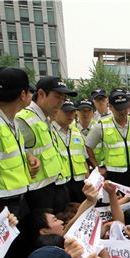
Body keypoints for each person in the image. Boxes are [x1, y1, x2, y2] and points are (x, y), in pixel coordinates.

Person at [16, 76, 77, 212]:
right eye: (57, 97)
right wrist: (27, 157)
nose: (61, 103)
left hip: (53, 186)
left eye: (63, 99)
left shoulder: (45, 118)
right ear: (42, 94)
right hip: (37, 194)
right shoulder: (24, 120)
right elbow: (13, 151)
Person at [0, 67, 37, 218]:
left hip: (18, 198)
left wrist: (28, 157)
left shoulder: (9, 120)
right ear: (23, 94)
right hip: (1, 206)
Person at [86, 89, 130, 187]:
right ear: (110, 107)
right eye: (118, 109)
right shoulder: (102, 126)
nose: (122, 112)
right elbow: (88, 147)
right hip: (113, 175)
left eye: (124, 108)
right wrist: (97, 168)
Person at [52, 99, 89, 203]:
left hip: (79, 182)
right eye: (66, 112)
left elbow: (84, 159)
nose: (70, 115)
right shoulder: (49, 131)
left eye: (72, 112)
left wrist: (89, 181)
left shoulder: (76, 132)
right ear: (57, 111)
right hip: (60, 183)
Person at [74, 98, 100, 168]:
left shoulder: (99, 128)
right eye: (83, 110)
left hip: (99, 168)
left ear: (93, 113)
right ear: (76, 112)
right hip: (79, 169)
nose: (86, 114)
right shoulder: (70, 129)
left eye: (89, 110)